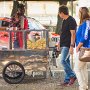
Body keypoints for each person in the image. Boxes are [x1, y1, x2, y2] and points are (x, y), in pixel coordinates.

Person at [58, 5, 77, 86]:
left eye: (59, 13)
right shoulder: (64, 20)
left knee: (62, 61)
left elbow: (73, 34)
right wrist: (59, 43)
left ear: (62, 13)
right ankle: (67, 80)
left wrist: (72, 47)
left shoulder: (71, 20)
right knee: (67, 61)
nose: (59, 15)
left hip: (68, 44)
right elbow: (62, 33)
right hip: (63, 44)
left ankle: (72, 76)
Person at [74, 7, 90, 90]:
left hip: (83, 49)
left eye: (78, 12)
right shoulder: (86, 22)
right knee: (83, 68)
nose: (77, 13)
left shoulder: (86, 22)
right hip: (84, 48)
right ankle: (85, 86)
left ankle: (82, 87)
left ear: (81, 13)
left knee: (77, 69)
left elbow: (85, 37)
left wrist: (78, 47)